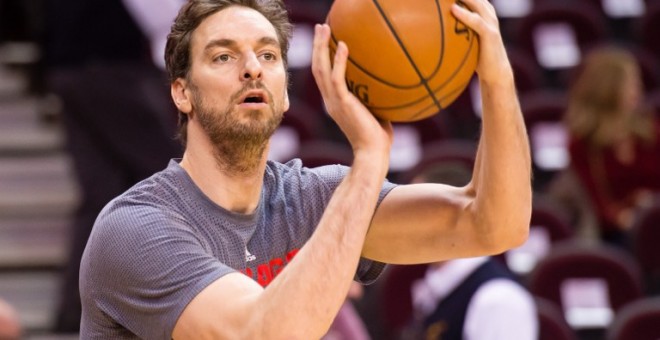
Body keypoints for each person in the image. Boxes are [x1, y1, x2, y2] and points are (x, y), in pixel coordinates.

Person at [79, 0, 532, 338]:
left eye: (268, 55)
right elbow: (261, 334)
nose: (252, 68)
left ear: (286, 91)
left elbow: (494, 224)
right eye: (224, 56)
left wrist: (496, 77)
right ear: (182, 93)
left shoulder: (313, 199)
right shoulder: (135, 230)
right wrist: (370, 160)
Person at [41, 0, 182, 332]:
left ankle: (73, 313)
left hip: (67, 66)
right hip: (112, 66)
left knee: (100, 193)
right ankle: (188, 297)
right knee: (176, 176)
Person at [401, 164, 538, 340]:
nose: (403, 224)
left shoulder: (498, 299)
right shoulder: (436, 280)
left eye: (412, 212)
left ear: (447, 217)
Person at [563, 45, 660, 248]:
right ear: (609, 88)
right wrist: (632, 215)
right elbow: (600, 209)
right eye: (630, 83)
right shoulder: (584, 144)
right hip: (617, 237)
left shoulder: (651, 132)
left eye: (637, 83)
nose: (637, 90)